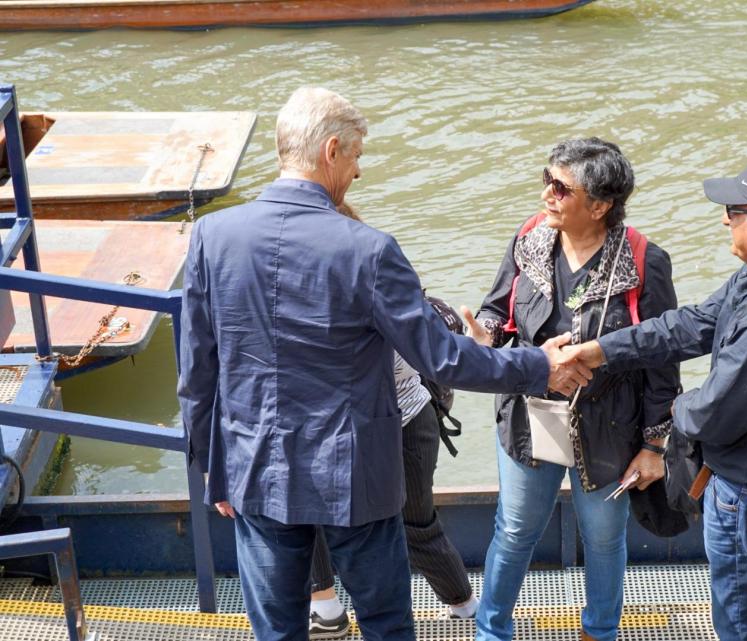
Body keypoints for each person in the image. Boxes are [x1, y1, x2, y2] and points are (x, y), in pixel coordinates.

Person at [177, 87, 591, 641]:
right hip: (352, 476)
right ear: (330, 151)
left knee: (275, 627)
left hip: (255, 466)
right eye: (355, 157)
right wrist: (535, 365)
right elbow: (441, 357)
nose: (357, 173)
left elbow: (197, 370)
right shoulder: (367, 249)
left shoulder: (212, 236)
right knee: (386, 623)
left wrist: (210, 464)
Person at [562, 155, 747, 641]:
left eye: (735, 210)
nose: (724, 219)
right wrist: (603, 349)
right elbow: (690, 325)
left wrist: (674, 409)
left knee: (745, 625)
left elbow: (712, 415)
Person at [461, 138, 681, 641]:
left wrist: (653, 446)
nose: (547, 195)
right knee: (514, 532)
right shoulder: (529, 237)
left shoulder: (644, 262)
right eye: (546, 181)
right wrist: (485, 338)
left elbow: (662, 361)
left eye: (560, 187)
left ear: (600, 205)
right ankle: (492, 632)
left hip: (609, 429)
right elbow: (499, 310)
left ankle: (599, 632)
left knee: (603, 540)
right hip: (529, 417)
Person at [305, 204, 478, 640]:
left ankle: (463, 604)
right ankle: (326, 608)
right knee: (309, 512)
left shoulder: (370, 279)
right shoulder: (366, 273)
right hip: (358, 424)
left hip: (401, 421)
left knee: (413, 523)